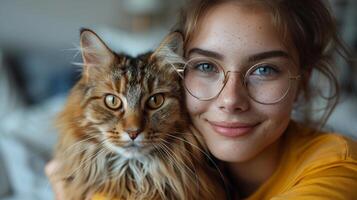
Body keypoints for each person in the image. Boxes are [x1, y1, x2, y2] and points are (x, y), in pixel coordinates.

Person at [46, 0, 357, 199]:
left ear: (302, 80)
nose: (230, 99)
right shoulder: (198, 167)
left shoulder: (339, 170)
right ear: (182, 76)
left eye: (264, 69)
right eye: (206, 67)